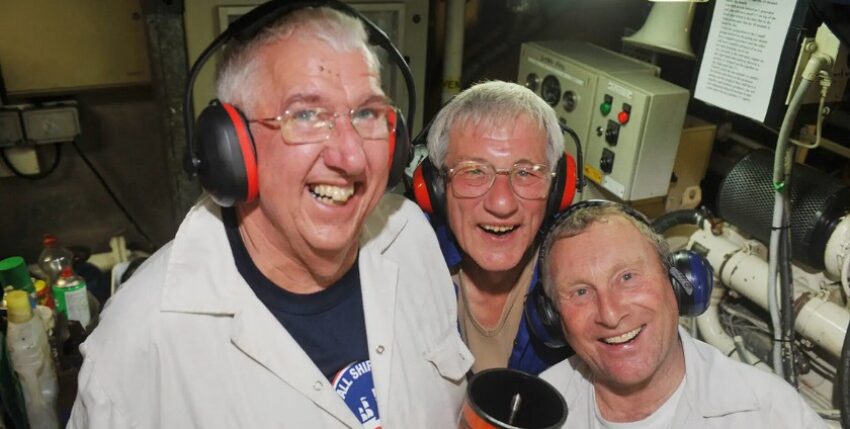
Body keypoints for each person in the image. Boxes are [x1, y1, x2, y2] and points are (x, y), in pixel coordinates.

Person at [68, 6, 471, 428]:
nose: (351, 157)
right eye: (306, 115)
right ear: (230, 150)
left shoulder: (410, 236)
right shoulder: (139, 342)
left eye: (367, 113)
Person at [538, 200, 827, 428]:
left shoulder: (769, 413)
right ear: (552, 316)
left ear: (679, 283)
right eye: (580, 292)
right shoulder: (536, 409)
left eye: (627, 277)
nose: (610, 314)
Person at [412, 81, 575, 375]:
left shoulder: (583, 269)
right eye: (474, 171)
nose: (501, 203)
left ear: (557, 188)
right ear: (435, 188)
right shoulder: (402, 264)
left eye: (526, 173)